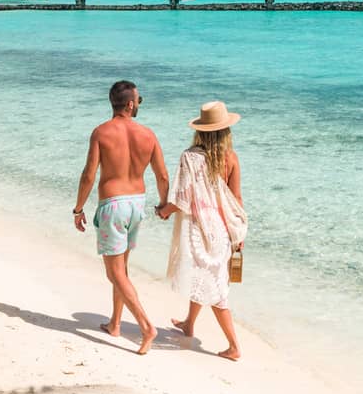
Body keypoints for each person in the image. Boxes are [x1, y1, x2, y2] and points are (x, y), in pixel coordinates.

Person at [73, 79, 170, 355]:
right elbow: (162, 176)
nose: (139, 103)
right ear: (130, 104)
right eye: (139, 100)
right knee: (122, 271)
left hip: (113, 205)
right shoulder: (148, 135)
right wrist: (163, 204)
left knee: (114, 273)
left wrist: (78, 208)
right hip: (136, 205)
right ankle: (115, 323)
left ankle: (145, 326)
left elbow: (88, 175)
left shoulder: (101, 133)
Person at [159, 101, 247, 361]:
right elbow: (237, 200)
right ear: (225, 130)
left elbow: (183, 199)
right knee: (205, 278)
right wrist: (239, 235)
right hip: (222, 230)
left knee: (217, 293)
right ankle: (189, 324)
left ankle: (234, 346)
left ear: (201, 130)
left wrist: (164, 211)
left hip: (199, 231)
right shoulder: (231, 158)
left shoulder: (190, 156)